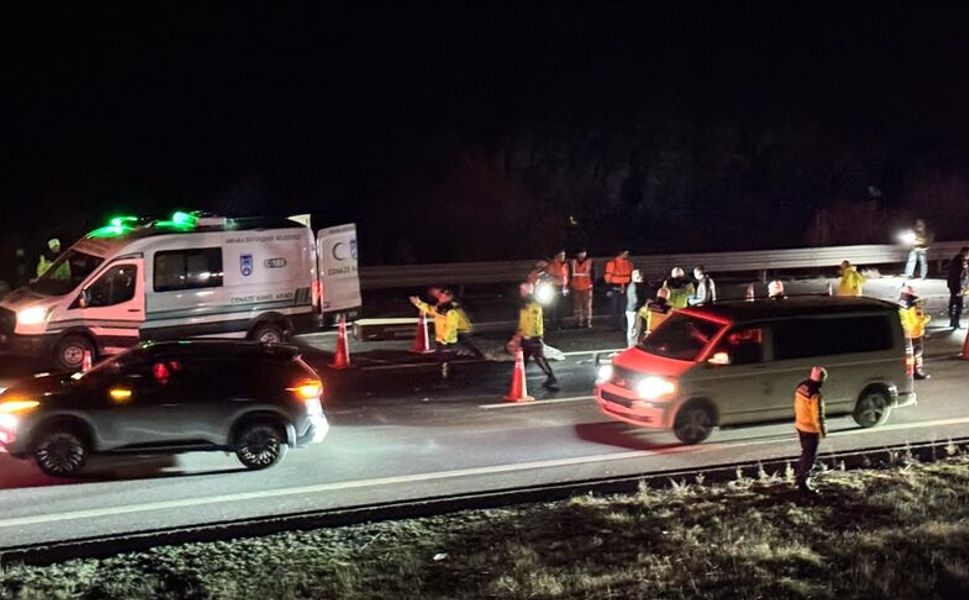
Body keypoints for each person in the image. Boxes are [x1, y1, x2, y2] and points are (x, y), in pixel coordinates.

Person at [514, 282, 558, 389]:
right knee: (524, 358)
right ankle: (517, 379)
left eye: (522, 290)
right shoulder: (525, 304)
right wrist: (519, 332)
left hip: (532, 336)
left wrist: (526, 335)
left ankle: (551, 376)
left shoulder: (533, 305)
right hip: (527, 335)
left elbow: (533, 322)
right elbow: (523, 321)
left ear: (526, 291)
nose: (520, 292)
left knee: (538, 358)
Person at [794, 366, 828, 496]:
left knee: (805, 453)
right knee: (810, 456)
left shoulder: (802, 386)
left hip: (800, 425)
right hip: (810, 429)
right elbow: (818, 415)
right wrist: (822, 431)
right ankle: (803, 483)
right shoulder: (816, 394)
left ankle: (799, 478)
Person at [410, 293, 460, 380]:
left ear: (449, 298)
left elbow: (451, 326)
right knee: (441, 359)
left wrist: (445, 339)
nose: (440, 297)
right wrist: (418, 303)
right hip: (440, 339)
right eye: (441, 296)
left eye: (443, 296)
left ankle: (446, 377)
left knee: (445, 360)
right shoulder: (440, 307)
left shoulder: (451, 311)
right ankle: (445, 374)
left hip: (447, 340)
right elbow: (430, 309)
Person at [440, 288, 484, 358]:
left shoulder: (452, 305)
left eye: (444, 297)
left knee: (464, 342)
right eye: (441, 297)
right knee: (462, 342)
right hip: (458, 328)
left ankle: (479, 355)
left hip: (460, 328)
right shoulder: (449, 305)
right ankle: (478, 355)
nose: (441, 299)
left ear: (450, 297)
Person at [898, 284, 931, 380]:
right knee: (916, 354)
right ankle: (915, 372)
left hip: (913, 334)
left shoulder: (904, 306)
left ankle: (914, 371)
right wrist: (925, 319)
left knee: (915, 354)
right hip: (912, 335)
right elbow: (915, 321)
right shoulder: (908, 307)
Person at [604, 250, 633, 330]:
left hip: (626, 289)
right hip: (615, 289)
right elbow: (607, 278)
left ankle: (622, 325)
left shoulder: (629, 264)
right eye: (625, 253)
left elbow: (631, 276)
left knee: (623, 308)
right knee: (614, 308)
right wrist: (608, 289)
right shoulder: (612, 263)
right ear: (620, 253)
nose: (626, 255)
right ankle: (615, 325)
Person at [569, 248, 594, 328]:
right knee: (577, 305)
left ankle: (587, 321)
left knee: (587, 305)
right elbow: (569, 274)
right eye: (580, 253)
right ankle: (577, 321)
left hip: (587, 287)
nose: (581, 255)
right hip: (575, 286)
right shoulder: (572, 262)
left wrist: (591, 283)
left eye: (583, 253)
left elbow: (593, 274)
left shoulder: (590, 262)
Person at [546, 250, 570, 330]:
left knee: (561, 306)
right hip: (554, 287)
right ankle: (553, 324)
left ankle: (560, 323)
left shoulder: (565, 264)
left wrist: (566, 285)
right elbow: (549, 276)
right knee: (553, 306)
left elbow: (566, 276)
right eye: (561, 255)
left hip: (562, 287)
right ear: (557, 256)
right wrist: (556, 278)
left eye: (564, 255)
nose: (563, 257)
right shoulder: (552, 264)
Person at [947, 247, 969, 329]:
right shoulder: (960, 262)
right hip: (957, 286)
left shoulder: (957, 260)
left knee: (953, 302)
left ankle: (952, 321)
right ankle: (956, 321)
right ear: (964, 252)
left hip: (954, 285)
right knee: (958, 304)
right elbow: (958, 276)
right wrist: (960, 288)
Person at [625, 270, 645, 346]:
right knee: (634, 328)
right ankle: (631, 344)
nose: (641, 278)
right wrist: (642, 305)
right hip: (633, 310)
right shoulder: (634, 286)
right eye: (638, 277)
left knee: (636, 328)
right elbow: (635, 299)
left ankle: (634, 343)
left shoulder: (635, 285)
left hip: (634, 310)